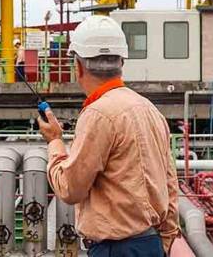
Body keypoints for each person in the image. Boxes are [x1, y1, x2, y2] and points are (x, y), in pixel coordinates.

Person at [37, 15, 180, 256]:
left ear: (79, 66)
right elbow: (170, 184)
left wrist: (55, 141)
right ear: (121, 62)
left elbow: (71, 189)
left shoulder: (98, 114)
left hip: (114, 248)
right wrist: (163, 242)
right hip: (150, 242)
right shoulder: (149, 109)